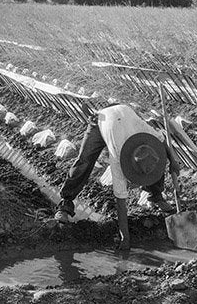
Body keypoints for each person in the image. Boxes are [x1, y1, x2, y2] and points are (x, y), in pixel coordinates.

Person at [55, 102, 180, 249]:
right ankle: (65, 204)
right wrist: (125, 237)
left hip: (124, 115)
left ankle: (156, 196)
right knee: (84, 161)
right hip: (100, 122)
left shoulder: (146, 134)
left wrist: (173, 161)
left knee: (153, 161)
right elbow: (120, 201)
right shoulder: (118, 155)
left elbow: (162, 141)